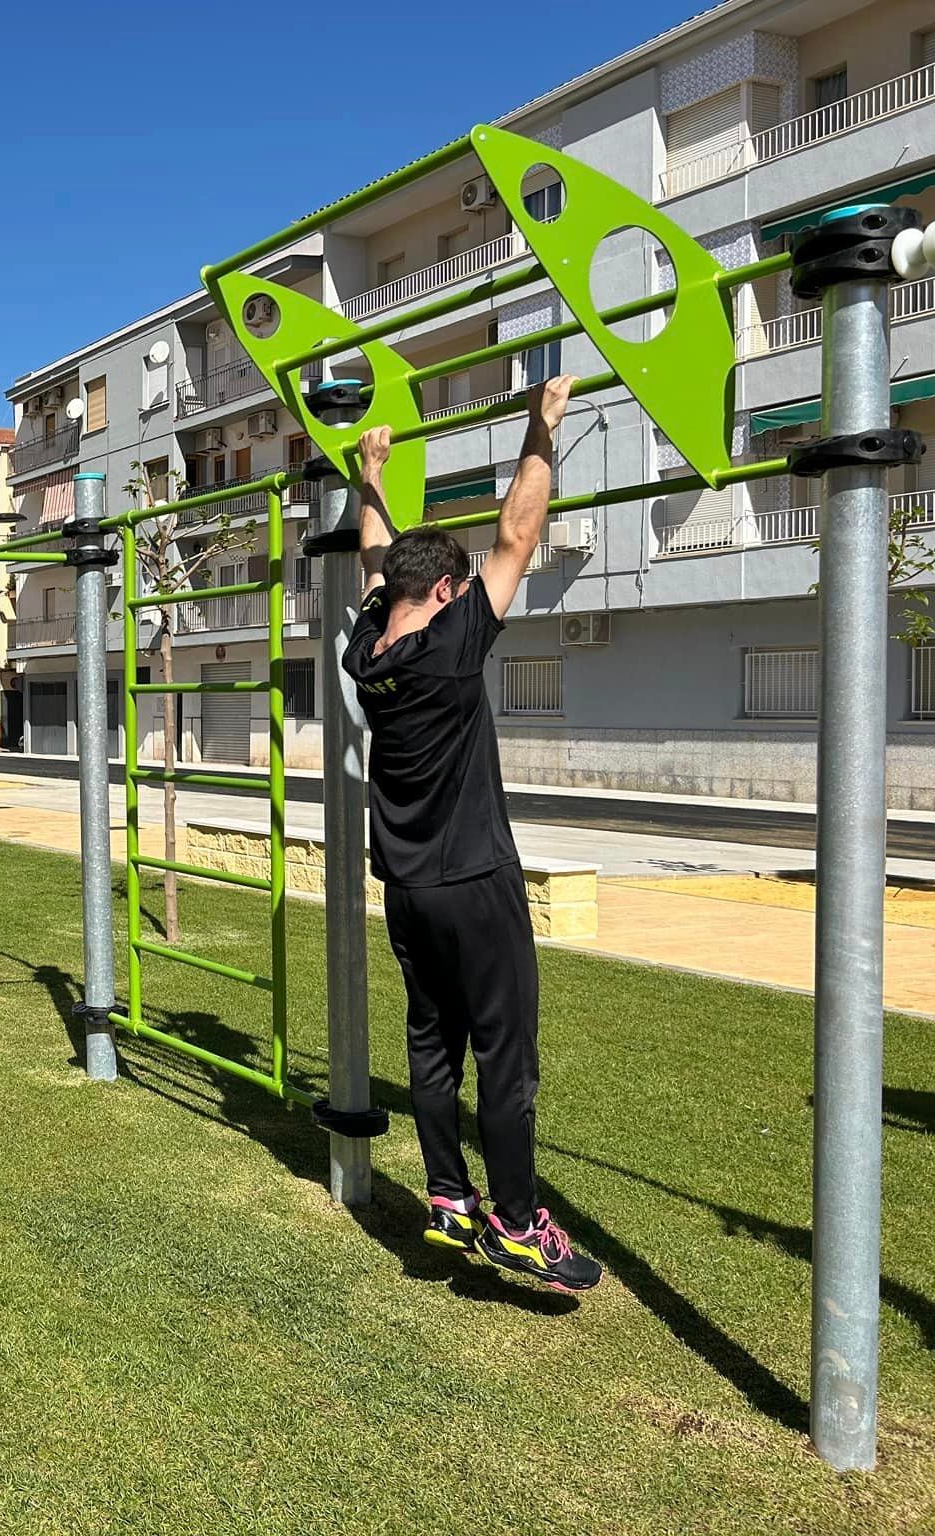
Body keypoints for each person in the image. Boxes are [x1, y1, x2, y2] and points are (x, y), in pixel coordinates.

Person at [343, 378, 601, 1293]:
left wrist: (368, 473)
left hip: (407, 889)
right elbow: (517, 535)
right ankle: (522, 1223)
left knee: (430, 1042)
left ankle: (449, 1200)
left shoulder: (368, 651)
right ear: (446, 592)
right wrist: (540, 429)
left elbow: (380, 561)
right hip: (477, 884)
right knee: (506, 1058)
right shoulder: (453, 645)